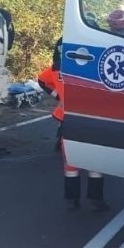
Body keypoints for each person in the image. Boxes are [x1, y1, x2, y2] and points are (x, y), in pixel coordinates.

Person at [37, 38, 107, 211]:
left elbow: (41, 80)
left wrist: (58, 96)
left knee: (70, 160)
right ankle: (95, 200)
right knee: (95, 161)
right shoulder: (96, 65)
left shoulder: (57, 67)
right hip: (92, 118)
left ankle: (72, 199)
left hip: (68, 117)